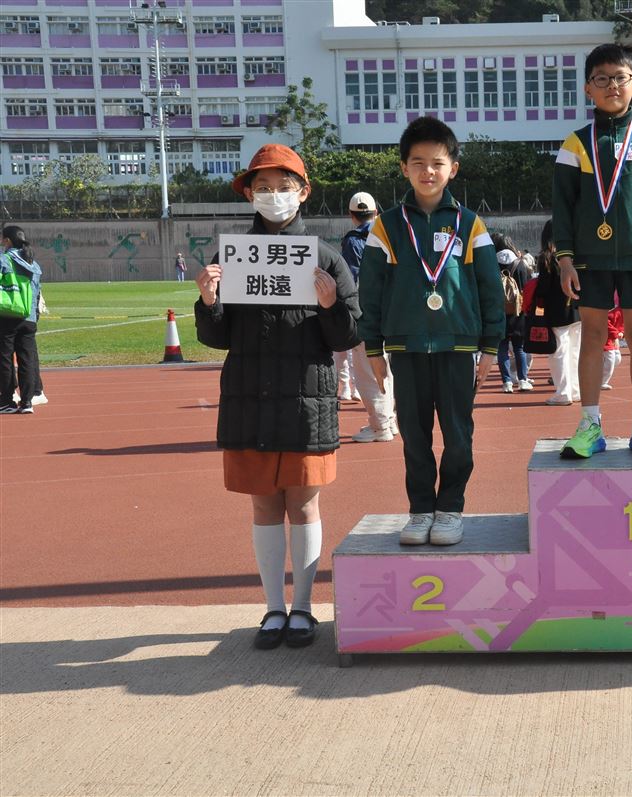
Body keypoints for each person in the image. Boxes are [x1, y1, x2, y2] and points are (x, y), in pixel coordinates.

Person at [193, 144, 360, 650]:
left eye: (283, 187)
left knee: (304, 505)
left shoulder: (325, 258)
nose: (273, 196)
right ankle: (272, 608)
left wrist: (330, 305)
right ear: (249, 195)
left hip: (306, 398)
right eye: (262, 187)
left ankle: (303, 608)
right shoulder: (232, 257)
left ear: (303, 192)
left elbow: (348, 334)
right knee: (264, 505)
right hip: (250, 395)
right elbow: (217, 337)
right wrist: (208, 301)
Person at [358, 117, 505, 546]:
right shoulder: (385, 226)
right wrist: (373, 348)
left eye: (437, 163)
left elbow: (490, 289)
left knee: (458, 435)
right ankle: (421, 509)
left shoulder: (470, 224)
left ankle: (451, 508)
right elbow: (371, 292)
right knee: (414, 436)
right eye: (418, 162)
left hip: (457, 345)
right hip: (405, 346)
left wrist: (490, 347)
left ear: (453, 169)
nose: (428, 171)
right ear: (403, 167)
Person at [552, 42, 632, 459]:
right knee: (593, 336)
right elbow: (563, 208)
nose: (611, 86)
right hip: (590, 259)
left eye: (620, 78)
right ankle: (590, 424)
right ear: (588, 88)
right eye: (601, 79)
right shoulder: (575, 144)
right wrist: (565, 260)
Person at [342, 191, 399, 442]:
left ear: (351, 215)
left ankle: (380, 425)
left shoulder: (353, 241)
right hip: (392, 312)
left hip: (366, 312)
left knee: (367, 370)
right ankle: (389, 420)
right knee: (386, 368)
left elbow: (351, 280)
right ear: (376, 212)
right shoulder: (391, 235)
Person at [532, 220, 582, 405]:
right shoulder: (574, 255)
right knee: (574, 351)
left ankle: (563, 392)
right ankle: (575, 390)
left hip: (556, 310)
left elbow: (543, 288)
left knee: (558, 352)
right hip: (576, 308)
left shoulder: (547, 258)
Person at [0, 226, 43, 415]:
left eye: (2, 239)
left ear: (8, 240)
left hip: (7, 314)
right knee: (27, 360)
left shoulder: (4, 259)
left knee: (5, 359)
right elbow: (37, 292)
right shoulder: (33, 262)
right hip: (29, 317)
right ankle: (27, 402)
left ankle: (7, 401)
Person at [492, 232, 533, 393]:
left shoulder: (491, 262)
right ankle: (522, 380)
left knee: (502, 349)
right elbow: (528, 286)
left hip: (498, 311)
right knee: (519, 348)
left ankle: (507, 382)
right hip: (518, 311)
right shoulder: (520, 264)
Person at [601, 302, 624, 389]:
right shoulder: (616, 311)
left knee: (617, 359)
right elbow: (605, 320)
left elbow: (623, 325)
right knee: (610, 360)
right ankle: (602, 382)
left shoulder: (627, 312)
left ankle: (598, 375)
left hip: (612, 339)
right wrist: (615, 334)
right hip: (606, 339)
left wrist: (621, 332)